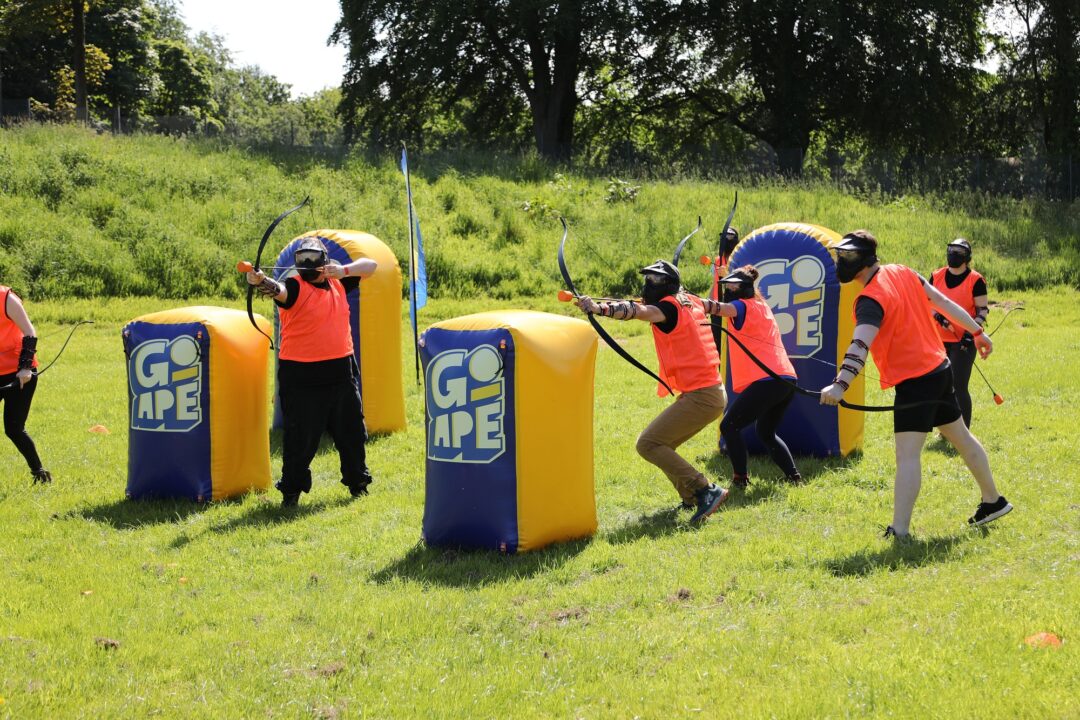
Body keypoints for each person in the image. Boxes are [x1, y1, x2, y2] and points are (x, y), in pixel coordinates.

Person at [818, 230, 1012, 539]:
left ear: (862, 261)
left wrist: (840, 385)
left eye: (846, 258)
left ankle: (900, 531)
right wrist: (977, 331)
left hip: (917, 381)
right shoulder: (903, 271)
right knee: (960, 437)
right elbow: (943, 301)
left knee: (908, 456)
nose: (840, 262)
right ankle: (993, 501)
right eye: (839, 256)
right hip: (939, 369)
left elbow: (859, 345)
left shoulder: (870, 298)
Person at [573, 259, 728, 523]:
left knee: (648, 444)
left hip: (703, 395)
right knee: (662, 444)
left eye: (655, 280)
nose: (649, 284)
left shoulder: (666, 307)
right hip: (710, 392)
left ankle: (705, 489)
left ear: (668, 284)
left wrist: (598, 307)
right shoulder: (688, 300)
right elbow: (716, 307)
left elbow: (636, 311)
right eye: (648, 279)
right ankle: (690, 496)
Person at [245, 237, 378, 507]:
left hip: (341, 371)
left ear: (325, 260)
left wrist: (344, 271)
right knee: (300, 438)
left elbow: (372, 265)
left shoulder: (340, 280)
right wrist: (260, 281)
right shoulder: (294, 285)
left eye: (313, 258)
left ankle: (358, 484)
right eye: (302, 259)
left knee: (351, 432)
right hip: (302, 377)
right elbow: (278, 290)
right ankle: (291, 493)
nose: (308, 264)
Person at [716, 265, 802, 489]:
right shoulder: (760, 305)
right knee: (765, 432)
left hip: (769, 381)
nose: (729, 289)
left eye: (732, 286)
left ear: (742, 289)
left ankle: (740, 480)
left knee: (729, 427)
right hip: (786, 379)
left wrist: (689, 302)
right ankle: (794, 478)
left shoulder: (740, 306)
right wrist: (724, 276)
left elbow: (720, 309)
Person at [929, 238, 988, 427]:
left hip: (964, 340)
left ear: (967, 257)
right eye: (952, 250)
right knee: (939, 386)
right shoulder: (936, 275)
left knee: (958, 386)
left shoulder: (975, 280)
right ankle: (946, 429)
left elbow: (982, 311)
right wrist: (938, 317)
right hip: (937, 340)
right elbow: (926, 302)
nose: (954, 255)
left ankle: (964, 431)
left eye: (960, 252)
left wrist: (972, 332)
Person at [0, 285, 51, 484]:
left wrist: (25, 367)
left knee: (13, 428)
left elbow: (30, 332)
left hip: (20, 373)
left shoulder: (7, 298)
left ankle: (39, 473)